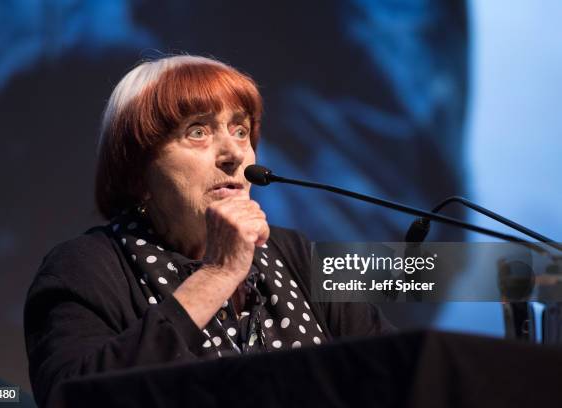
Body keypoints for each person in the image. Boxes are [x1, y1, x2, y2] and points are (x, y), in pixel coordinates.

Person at [24, 55, 394, 407]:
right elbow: (73, 398)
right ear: (137, 173)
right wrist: (218, 273)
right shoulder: (85, 268)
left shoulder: (294, 250)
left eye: (241, 130)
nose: (233, 153)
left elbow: (398, 362)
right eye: (197, 131)